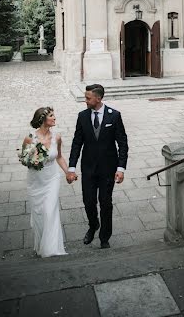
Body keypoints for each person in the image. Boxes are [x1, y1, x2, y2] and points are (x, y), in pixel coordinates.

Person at [66, 84, 128, 249]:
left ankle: (104, 237)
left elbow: (122, 143)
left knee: (105, 202)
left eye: (88, 98)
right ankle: (93, 225)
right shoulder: (82, 116)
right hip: (88, 168)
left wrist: (121, 168)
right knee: (88, 201)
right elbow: (77, 143)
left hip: (108, 169)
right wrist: (71, 167)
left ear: (98, 98)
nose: (85, 100)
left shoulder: (114, 116)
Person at [22, 107, 69, 258]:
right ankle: (40, 246)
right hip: (36, 181)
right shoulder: (30, 138)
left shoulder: (57, 137)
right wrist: (33, 160)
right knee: (39, 214)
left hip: (52, 178)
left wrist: (68, 172)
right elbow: (24, 159)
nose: (55, 118)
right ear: (43, 119)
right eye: (51, 116)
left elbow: (59, 157)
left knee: (50, 211)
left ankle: (51, 250)